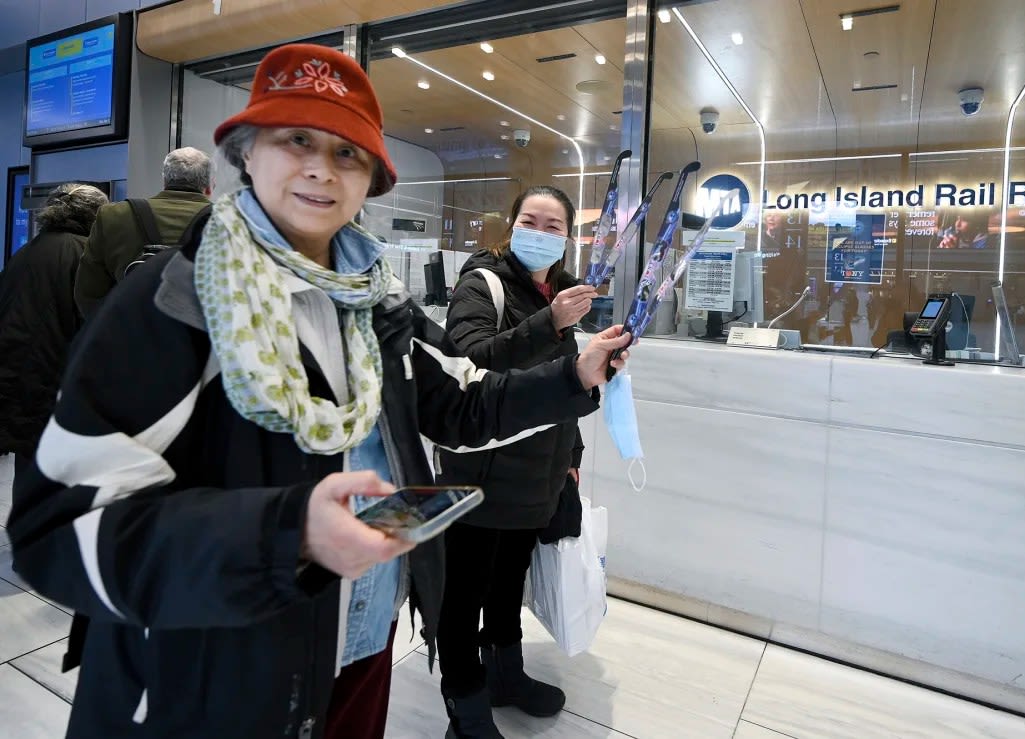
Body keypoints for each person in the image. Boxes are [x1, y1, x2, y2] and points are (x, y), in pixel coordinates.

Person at [6, 44, 629, 739]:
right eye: (295, 140)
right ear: (246, 153)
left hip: (360, 647)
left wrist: (573, 376)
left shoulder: (375, 305)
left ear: (368, 181)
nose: (319, 168)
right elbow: (54, 526)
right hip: (211, 674)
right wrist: (286, 533)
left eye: (347, 154)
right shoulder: (173, 302)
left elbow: (460, 403)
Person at [435, 185, 597, 738]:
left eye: (554, 225)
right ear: (512, 225)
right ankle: (466, 703)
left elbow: (563, 383)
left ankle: (506, 674)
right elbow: (472, 359)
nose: (541, 232)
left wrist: (571, 457)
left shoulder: (565, 291)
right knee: (463, 593)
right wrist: (547, 322)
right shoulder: (481, 284)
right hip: (479, 474)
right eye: (531, 220)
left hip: (538, 475)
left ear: (568, 237)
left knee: (508, 586)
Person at [0, 183, 108, 490]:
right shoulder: (85, 254)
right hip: (58, 380)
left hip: (19, 375)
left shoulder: (26, 252)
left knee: (29, 465)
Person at [74, 146, 212, 316]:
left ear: (165, 182)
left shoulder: (113, 216)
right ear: (208, 187)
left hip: (130, 332)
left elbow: (89, 291)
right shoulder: (229, 221)